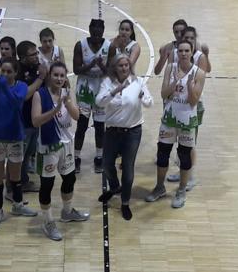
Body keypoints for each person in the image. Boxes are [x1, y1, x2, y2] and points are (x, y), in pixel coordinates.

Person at [31, 62, 89, 241]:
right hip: (48, 147)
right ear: (49, 76)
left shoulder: (67, 93)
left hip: (66, 144)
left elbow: (77, 116)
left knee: (69, 179)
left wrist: (68, 101)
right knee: (47, 185)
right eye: (55, 75)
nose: (58, 78)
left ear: (65, 78)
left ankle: (67, 211)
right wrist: (55, 109)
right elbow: (35, 121)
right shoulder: (39, 95)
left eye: (62, 76)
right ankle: (48, 221)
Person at [145, 40, 206, 209]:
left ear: (192, 52)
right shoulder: (171, 68)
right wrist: (175, 82)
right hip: (169, 119)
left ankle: (181, 191)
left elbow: (193, 101)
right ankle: (159, 187)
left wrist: (188, 85)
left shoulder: (199, 73)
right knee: (162, 154)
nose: (184, 53)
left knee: (184, 156)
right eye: (181, 51)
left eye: (187, 51)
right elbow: (164, 94)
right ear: (177, 52)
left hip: (187, 120)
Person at [96, 54, 153, 220]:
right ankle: (114, 187)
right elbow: (99, 102)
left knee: (128, 169)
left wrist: (144, 97)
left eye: (126, 65)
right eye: (120, 65)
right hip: (112, 132)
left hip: (132, 132)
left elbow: (150, 103)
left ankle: (125, 203)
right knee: (106, 164)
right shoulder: (107, 82)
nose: (124, 68)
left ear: (130, 66)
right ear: (115, 67)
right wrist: (115, 91)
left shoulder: (138, 81)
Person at [0, 57, 38, 228]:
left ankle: (18, 205)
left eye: (9, 71)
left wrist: (2, 84)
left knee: (15, 177)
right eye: (4, 71)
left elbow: (16, 102)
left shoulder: (21, 86)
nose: (6, 74)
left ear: (16, 73)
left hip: (15, 137)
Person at [167, 26, 211, 186]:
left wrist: (206, 54)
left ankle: (190, 176)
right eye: (186, 37)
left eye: (192, 38)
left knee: (190, 143)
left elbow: (206, 72)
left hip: (195, 104)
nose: (188, 40)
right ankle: (182, 173)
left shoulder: (198, 55)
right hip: (178, 103)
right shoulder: (178, 55)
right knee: (181, 143)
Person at [73, 19, 110, 173]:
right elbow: (76, 70)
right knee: (82, 125)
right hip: (85, 90)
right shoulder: (80, 45)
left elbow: (111, 72)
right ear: (89, 30)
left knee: (100, 127)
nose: (95, 34)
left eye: (98, 32)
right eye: (93, 31)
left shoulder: (109, 46)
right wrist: (91, 64)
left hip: (101, 90)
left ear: (102, 31)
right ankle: (76, 157)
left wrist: (100, 65)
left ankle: (99, 157)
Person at [12, 41, 46, 196]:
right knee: (18, 156)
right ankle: (12, 187)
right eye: (33, 54)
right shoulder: (17, 71)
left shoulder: (36, 67)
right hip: (21, 121)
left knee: (28, 153)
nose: (36, 56)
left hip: (34, 120)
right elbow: (25, 95)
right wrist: (40, 78)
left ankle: (23, 181)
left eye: (36, 53)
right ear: (23, 57)